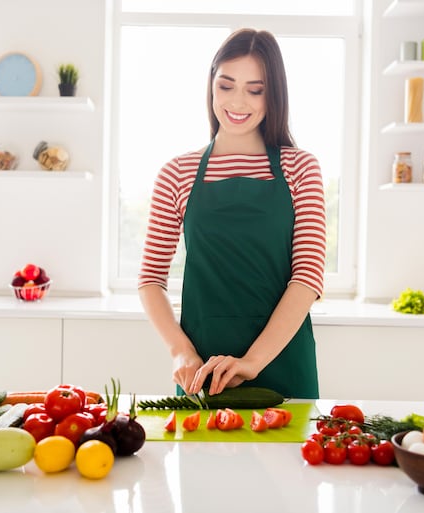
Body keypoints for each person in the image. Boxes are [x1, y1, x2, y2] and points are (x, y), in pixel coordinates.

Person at [137, 28, 326, 399]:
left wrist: (252, 362)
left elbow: (308, 276)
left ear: (274, 95)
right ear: (211, 86)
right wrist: (180, 351)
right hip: (203, 368)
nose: (238, 101)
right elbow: (150, 279)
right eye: (226, 85)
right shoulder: (178, 172)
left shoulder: (300, 168)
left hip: (282, 360)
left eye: (255, 89)